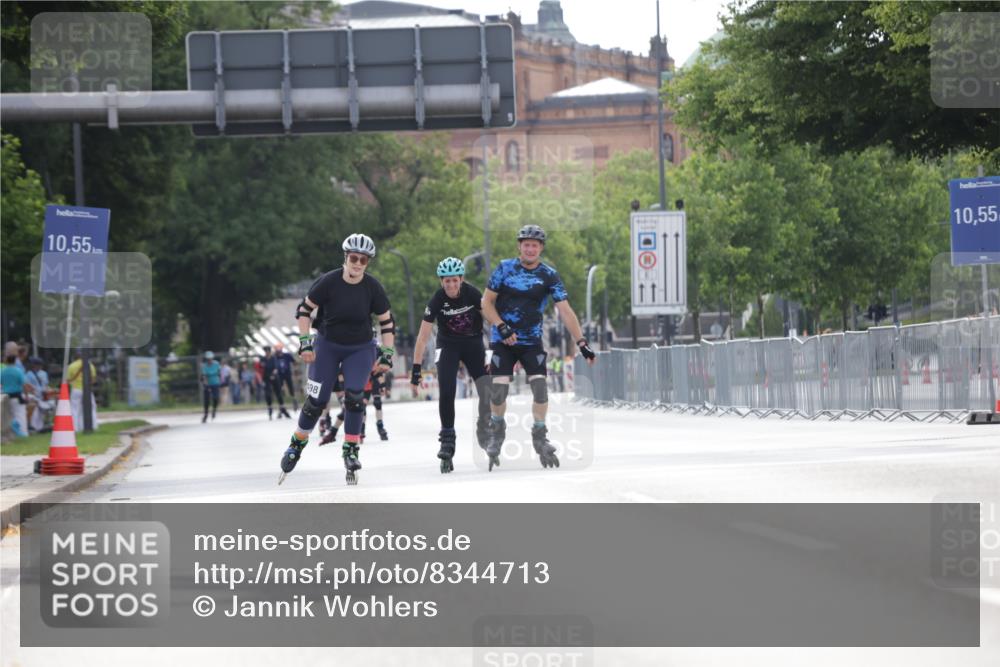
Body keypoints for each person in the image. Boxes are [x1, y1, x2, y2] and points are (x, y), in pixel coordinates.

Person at [279, 233, 395, 485]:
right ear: (346, 257)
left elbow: (387, 322)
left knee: (354, 397)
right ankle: (297, 443)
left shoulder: (372, 287)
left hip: (361, 347)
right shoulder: (328, 282)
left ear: (368, 263)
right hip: (327, 345)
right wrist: (304, 343)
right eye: (353, 258)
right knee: (316, 401)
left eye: (363, 260)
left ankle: (351, 450)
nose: (357, 263)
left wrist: (387, 355)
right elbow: (304, 310)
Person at [481, 224, 596, 470]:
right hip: (503, 339)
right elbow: (486, 303)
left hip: (531, 341)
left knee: (540, 388)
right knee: (499, 391)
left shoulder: (549, 275)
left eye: (535, 245)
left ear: (541, 248)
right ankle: (497, 428)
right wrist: (501, 326)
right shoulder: (504, 268)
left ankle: (540, 434)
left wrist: (582, 343)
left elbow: (565, 310)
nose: (530, 249)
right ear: (519, 246)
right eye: (526, 245)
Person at [410, 256, 491, 473]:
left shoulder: (472, 293)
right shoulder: (436, 300)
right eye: (447, 281)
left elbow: (492, 319)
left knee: (486, 387)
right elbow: (422, 337)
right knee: (447, 390)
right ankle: (447, 440)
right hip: (448, 345)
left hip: (473, 343)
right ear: (441, 282)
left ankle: (485, 426)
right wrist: (416, 371)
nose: (451, 286)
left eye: (455, 280)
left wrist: (495, 351)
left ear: (461, 279)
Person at [65, 352, 99, 432]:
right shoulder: (90, 365)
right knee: (91, 408)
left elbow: (68, 380)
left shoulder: (71, 366)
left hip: (76, 389)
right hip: (87, 390)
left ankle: (75, 428)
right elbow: (93, 380)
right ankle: (93, 426)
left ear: (75, 357)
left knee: (75, 409)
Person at [1, 351, 28, 437]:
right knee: (20, 415)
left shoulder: (2, 371)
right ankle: (23, 434)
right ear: (15, 360)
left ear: (6, 361)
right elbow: (24, 384)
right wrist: (26, 396)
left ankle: (11, 433)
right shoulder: (18, 371)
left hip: (5, 396)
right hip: (17, 396)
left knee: (9, 416)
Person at [261, 346, 292, 420]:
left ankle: (282, 408)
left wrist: (273, 374)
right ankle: (270, 408)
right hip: (266, 378)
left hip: (274, 377)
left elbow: (276, 368)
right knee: (268, 394)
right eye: (266, 352)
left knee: (278, 393)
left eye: (268, 351)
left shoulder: (273, 358)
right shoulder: (263, 359)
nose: (267, 353)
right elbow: (261, 369)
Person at [25, 357, 53, 432]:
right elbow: (28, 386)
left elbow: (46, 385)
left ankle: (41, 426)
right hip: (34, 396)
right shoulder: (29, 374)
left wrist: (48, 392)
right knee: (36, 411)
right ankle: (35, 427)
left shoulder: (44, 373)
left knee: (42, 412)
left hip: (43, 395)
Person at [273, 342, 298, 411]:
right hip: (279, 375)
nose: (278, 351)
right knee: (279, 389)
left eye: (279, 349)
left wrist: (295, 371)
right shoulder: (274, 357)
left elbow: (295, 362)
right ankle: (281, 405)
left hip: (287, 373)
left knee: (291, 388)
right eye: (277, 349)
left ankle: (294, 400)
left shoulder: (287, 355)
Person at [200, 351, 222, 423]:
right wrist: (206, 385)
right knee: (207, 400)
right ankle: (206, 414)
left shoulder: (216, 364)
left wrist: (220, 381)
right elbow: (204, 376)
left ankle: (214, 410)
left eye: (210, 359)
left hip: (215, 383)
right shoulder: (205, 366)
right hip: (208, 383)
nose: (209, 360)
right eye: (208, 359)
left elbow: (219, 373)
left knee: (215, 398)